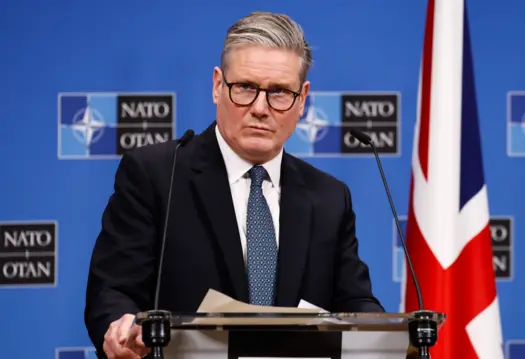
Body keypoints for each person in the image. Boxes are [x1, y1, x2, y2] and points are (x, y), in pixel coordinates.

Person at [84, 11, 384, 359]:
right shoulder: (156, 175)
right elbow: (113, 291)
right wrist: (120, 329)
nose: (260, 108)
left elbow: (354, 301)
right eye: (245, 87)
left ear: (302, 99)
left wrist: (378, 331)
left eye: (280, 92)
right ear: (217, 85)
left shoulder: (329, 197)